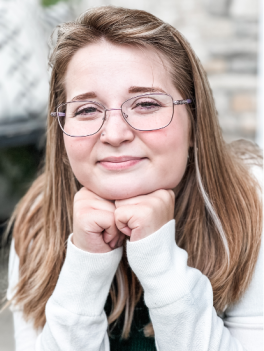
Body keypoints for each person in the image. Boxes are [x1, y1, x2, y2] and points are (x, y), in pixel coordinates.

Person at [4, 6, 264, 351]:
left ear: (194, 123)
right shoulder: (38, 221)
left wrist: (159, 262)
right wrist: (85, 265)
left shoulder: (251, 203)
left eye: (145, 104)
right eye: (87, 109)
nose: (114, 133)